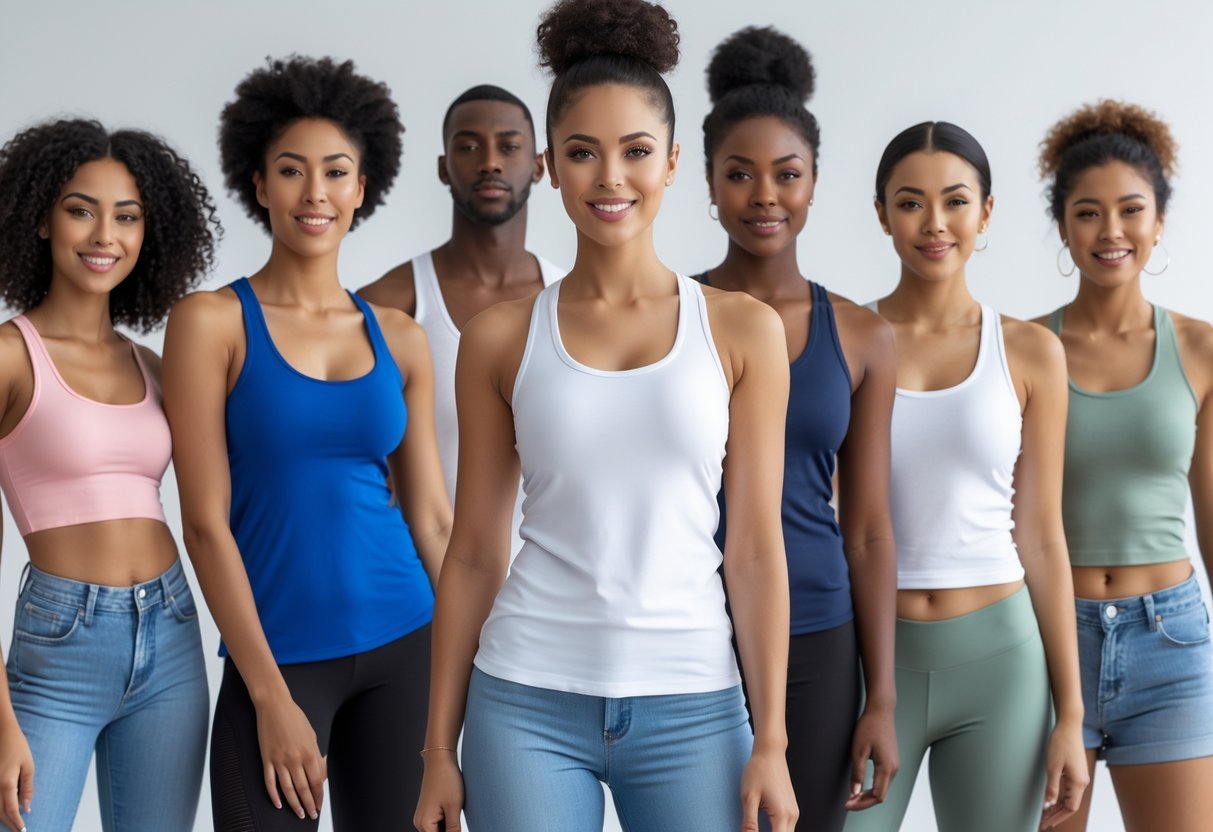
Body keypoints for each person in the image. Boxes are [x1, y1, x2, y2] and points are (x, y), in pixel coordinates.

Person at [412, 1, 798, 830]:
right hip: (524, 701)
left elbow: (757, 548)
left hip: (695, 702)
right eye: (583, 153)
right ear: (549, 166)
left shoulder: (740, 332)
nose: (610, 178)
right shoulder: (499, 339)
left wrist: (770, 739)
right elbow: (475, 551)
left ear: (670, 164)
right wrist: (438, 749)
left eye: (635, 152)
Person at [162, 56, 451, 830]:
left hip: (408, 644)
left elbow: (431, 522)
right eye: (291, 170)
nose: (314, 193)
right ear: (258, 183)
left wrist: (469, 683)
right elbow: (204, 524)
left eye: (335, 172)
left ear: (364, 187)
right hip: (280, 658)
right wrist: (268, 695)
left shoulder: (401, 339)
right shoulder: (210, 323)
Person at [843, 122, 1088, 832]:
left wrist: (1069, 715)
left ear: (985, 211)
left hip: (998, 661)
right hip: (866, 656)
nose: (934, 223)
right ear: (881, 212)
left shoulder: (1030, 352)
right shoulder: (843, 338)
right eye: (910, 202)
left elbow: (1041, 536)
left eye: (955, 201)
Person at [696, 26, 898, 831]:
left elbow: (872, 530)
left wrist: (878, 695)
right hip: (687, 629)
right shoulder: (672, 318)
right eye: (738, 175)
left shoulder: (860, 336)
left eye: (786, 174)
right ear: (706, 184)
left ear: (814, 183)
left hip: (817, 634)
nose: (764, 196)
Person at [0, 118, 219, 832]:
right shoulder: (10, 357)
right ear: (40, 219)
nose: (104, 236)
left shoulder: (153, 366)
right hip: (60, 644)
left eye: (127, 217)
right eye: (80, 210)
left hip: (174, 634)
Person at [1034, 101, 1213, 832]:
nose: (1110, 232)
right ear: (1062, 226)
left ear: (1159, 220)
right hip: (1045, 643)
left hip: (1168, 643)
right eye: (1087, 212)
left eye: (1129, 210)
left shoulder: (1199, 350)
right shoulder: (1024, 350)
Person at [360, 84, 562, 552]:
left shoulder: (574, 301)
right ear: (443, 168)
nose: (489, 161)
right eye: (468, 146)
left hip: (550, 597)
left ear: (539, 166)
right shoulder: (388, 305)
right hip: (423, 591)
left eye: (509, 146)